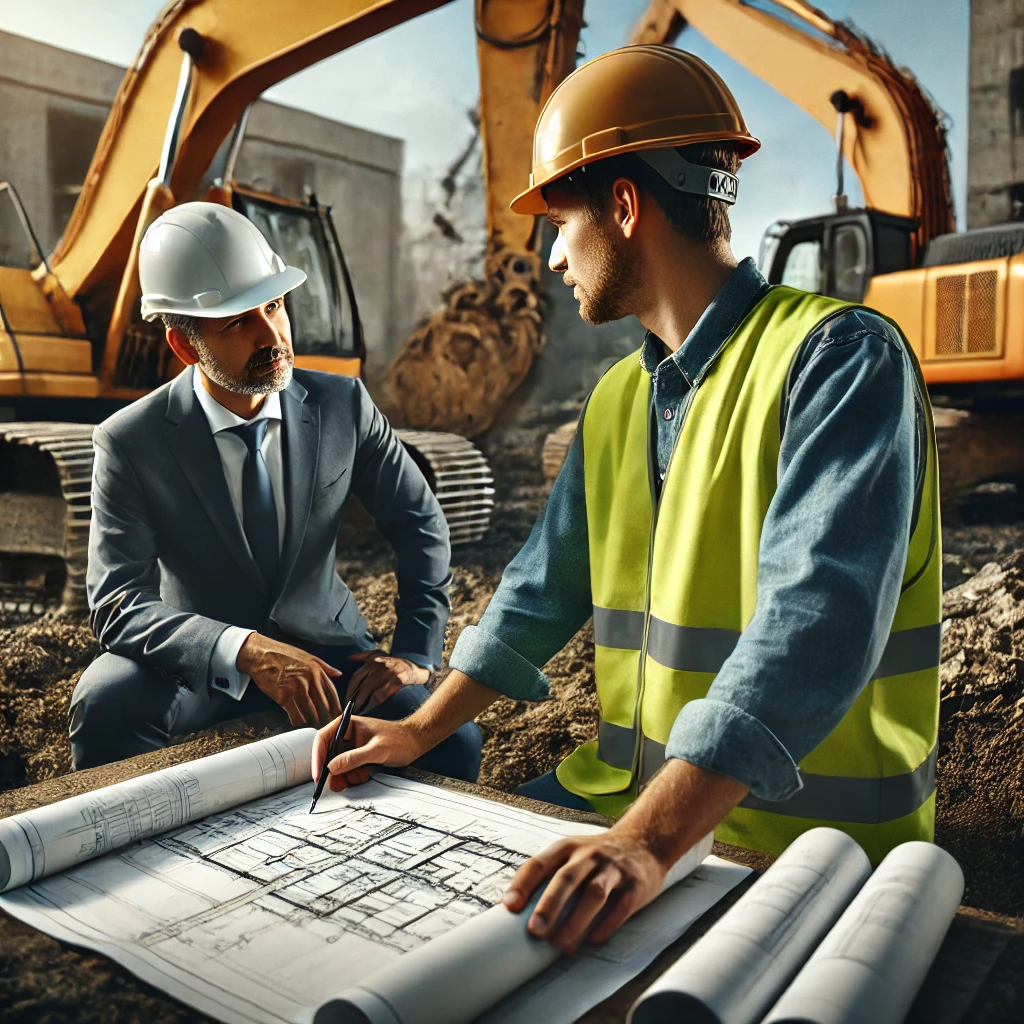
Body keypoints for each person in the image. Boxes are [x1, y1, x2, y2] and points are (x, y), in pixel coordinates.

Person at [311, 45, 940, 954]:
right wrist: (420, 732)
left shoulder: (840, 360)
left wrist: (644, 846)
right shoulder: (618, 401)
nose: (555, 260)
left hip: (808, 849)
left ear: (626, 206)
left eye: (559, 225)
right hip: (631, 800)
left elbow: (817, 615)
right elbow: (536, 593)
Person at [70, 201, 481, 781]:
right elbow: (118, 603)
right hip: (202, 663)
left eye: (274, 305)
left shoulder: (345, 406)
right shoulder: (130, 441)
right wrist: (243, 650)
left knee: (453, 742)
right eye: (238, 321)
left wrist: (415, 653)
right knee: (105, 701)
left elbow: (418, 520)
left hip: (334, 655)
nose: (273, 336)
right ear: (186, 347)